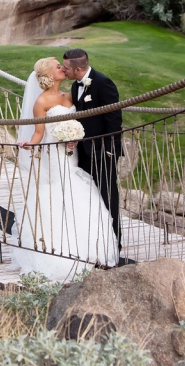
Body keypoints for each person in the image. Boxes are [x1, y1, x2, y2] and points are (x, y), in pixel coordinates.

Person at [12, 57, 118, 281]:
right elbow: (39, 133)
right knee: (58, 193)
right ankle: (58, 252)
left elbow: (77, 124)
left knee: (77, 191)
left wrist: (73, 138)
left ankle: (88, 251)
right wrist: (29, 144)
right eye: (58, 66)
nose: (62, 68)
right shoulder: (41, 101)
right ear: (49, 75)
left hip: (71, 154)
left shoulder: (70, 95)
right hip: (53, 157)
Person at [61, 48, 124, 254]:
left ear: (78, 69)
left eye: (66, 68)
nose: (63, 70)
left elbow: (114, 120)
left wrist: (110, 151)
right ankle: (94, 245)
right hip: (83, 154)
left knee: (107, 197)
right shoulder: (75, 85)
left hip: (103, 153)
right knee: (88, 198)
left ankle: (114, 245)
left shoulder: (103, 83)